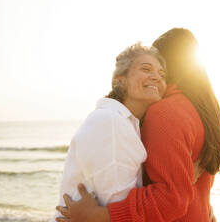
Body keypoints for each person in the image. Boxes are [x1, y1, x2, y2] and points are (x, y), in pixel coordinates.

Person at [56, 28, 220, 222]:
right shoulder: (204, 113)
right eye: (146, 69)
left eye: (161, 70)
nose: (156, 76)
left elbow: (171, 196)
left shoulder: (165, 112)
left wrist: (100, 216)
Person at [50, 43, 167, 222]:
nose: (157, 77)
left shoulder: (123, 122)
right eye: (146, 69)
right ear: (119, 80)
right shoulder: (112, 122)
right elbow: (118, 208)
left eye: (162, 74)